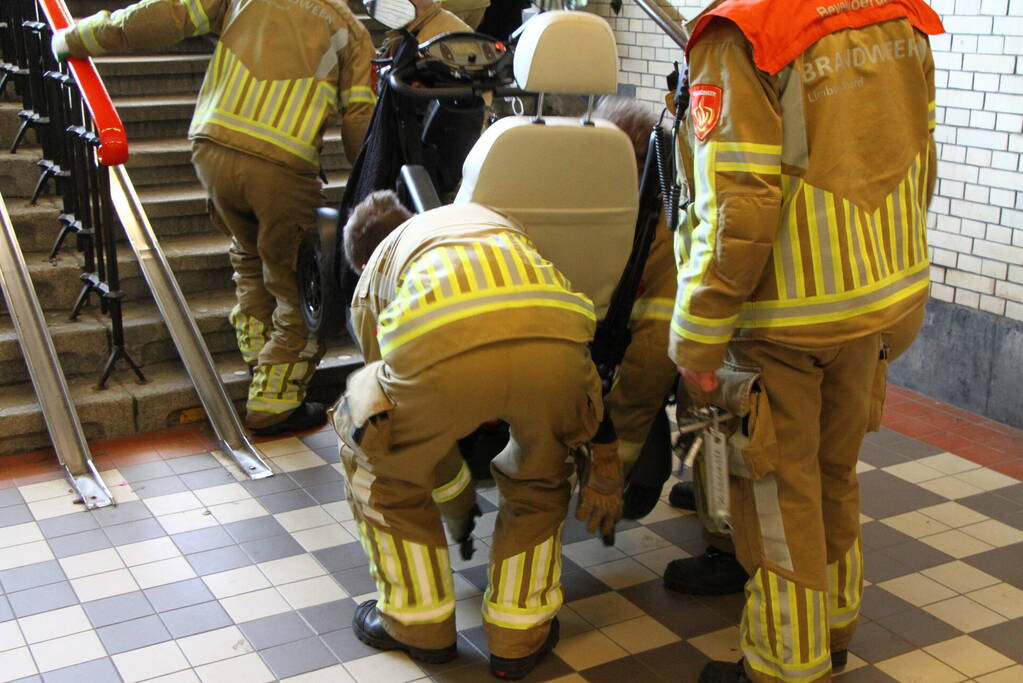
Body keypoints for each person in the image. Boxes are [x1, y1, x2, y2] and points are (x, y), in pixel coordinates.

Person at [668, 2, 944, 682]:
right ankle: (833, 626)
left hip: (781, 319)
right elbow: (923, 156)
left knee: (776, 492)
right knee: (831, 473)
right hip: (876, 299)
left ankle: (786, 663)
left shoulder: (742, 35)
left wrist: (697, 333)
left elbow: (738, 203)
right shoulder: (896, 14)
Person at [53, 0, 376, 435]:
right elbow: (360, 116)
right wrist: (371, 192)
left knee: (247, 253)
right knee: (297, 280)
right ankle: (274, 402)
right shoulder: (351, 31)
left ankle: (259, 359)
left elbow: (162, 16)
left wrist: (75, 36)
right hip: (282, 161)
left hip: (212, 147)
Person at [332, 190, 618, 679]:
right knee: (539, 479)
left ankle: (416, 624)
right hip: (558, 344)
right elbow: (573, 351)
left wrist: (455, 504)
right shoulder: (497, 222)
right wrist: (605, 457)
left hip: (438, 350)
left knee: (382, 460)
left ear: (362, 263)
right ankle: (518, 635)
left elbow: (393, 425)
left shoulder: (376, 274)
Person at [591, 97, 680, 519]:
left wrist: (613, 466)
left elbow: (651, 362)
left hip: (666, 358)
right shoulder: (599, 209)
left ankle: (722, 512)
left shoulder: (658, 232)